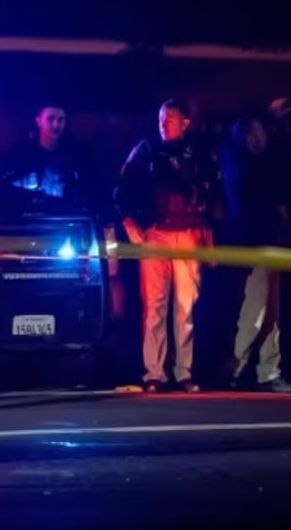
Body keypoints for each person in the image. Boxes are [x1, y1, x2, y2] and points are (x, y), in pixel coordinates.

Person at [114, 99, 223, 393]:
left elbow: (214, 195)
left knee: (186, 307)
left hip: (189, 234)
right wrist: (129, 223)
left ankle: (184, 372)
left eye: (171, 118)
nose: (164, 124)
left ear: (186, 122)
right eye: (161, 118)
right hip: (155, 235)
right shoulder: (146, 150)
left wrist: (210, 238)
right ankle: (154, 373)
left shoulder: (199, 152)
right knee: (154, 306)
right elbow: (122, 190)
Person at [219, 105, 291, 393]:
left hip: (269, 242)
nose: (266, 137)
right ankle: (236, 368)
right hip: (254, 245)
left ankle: (268, 372)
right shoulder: (241, 163)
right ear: (250, 137)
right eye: (261, 132)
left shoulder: (260, 164)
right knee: (256, 310)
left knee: (271, 312)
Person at [0, 103, 98, 212]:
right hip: (30, 216)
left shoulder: (75, 156)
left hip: (64, 216)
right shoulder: (21, 155)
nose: (56, 125)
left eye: (60, 120)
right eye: (50, 119)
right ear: (38, 121)